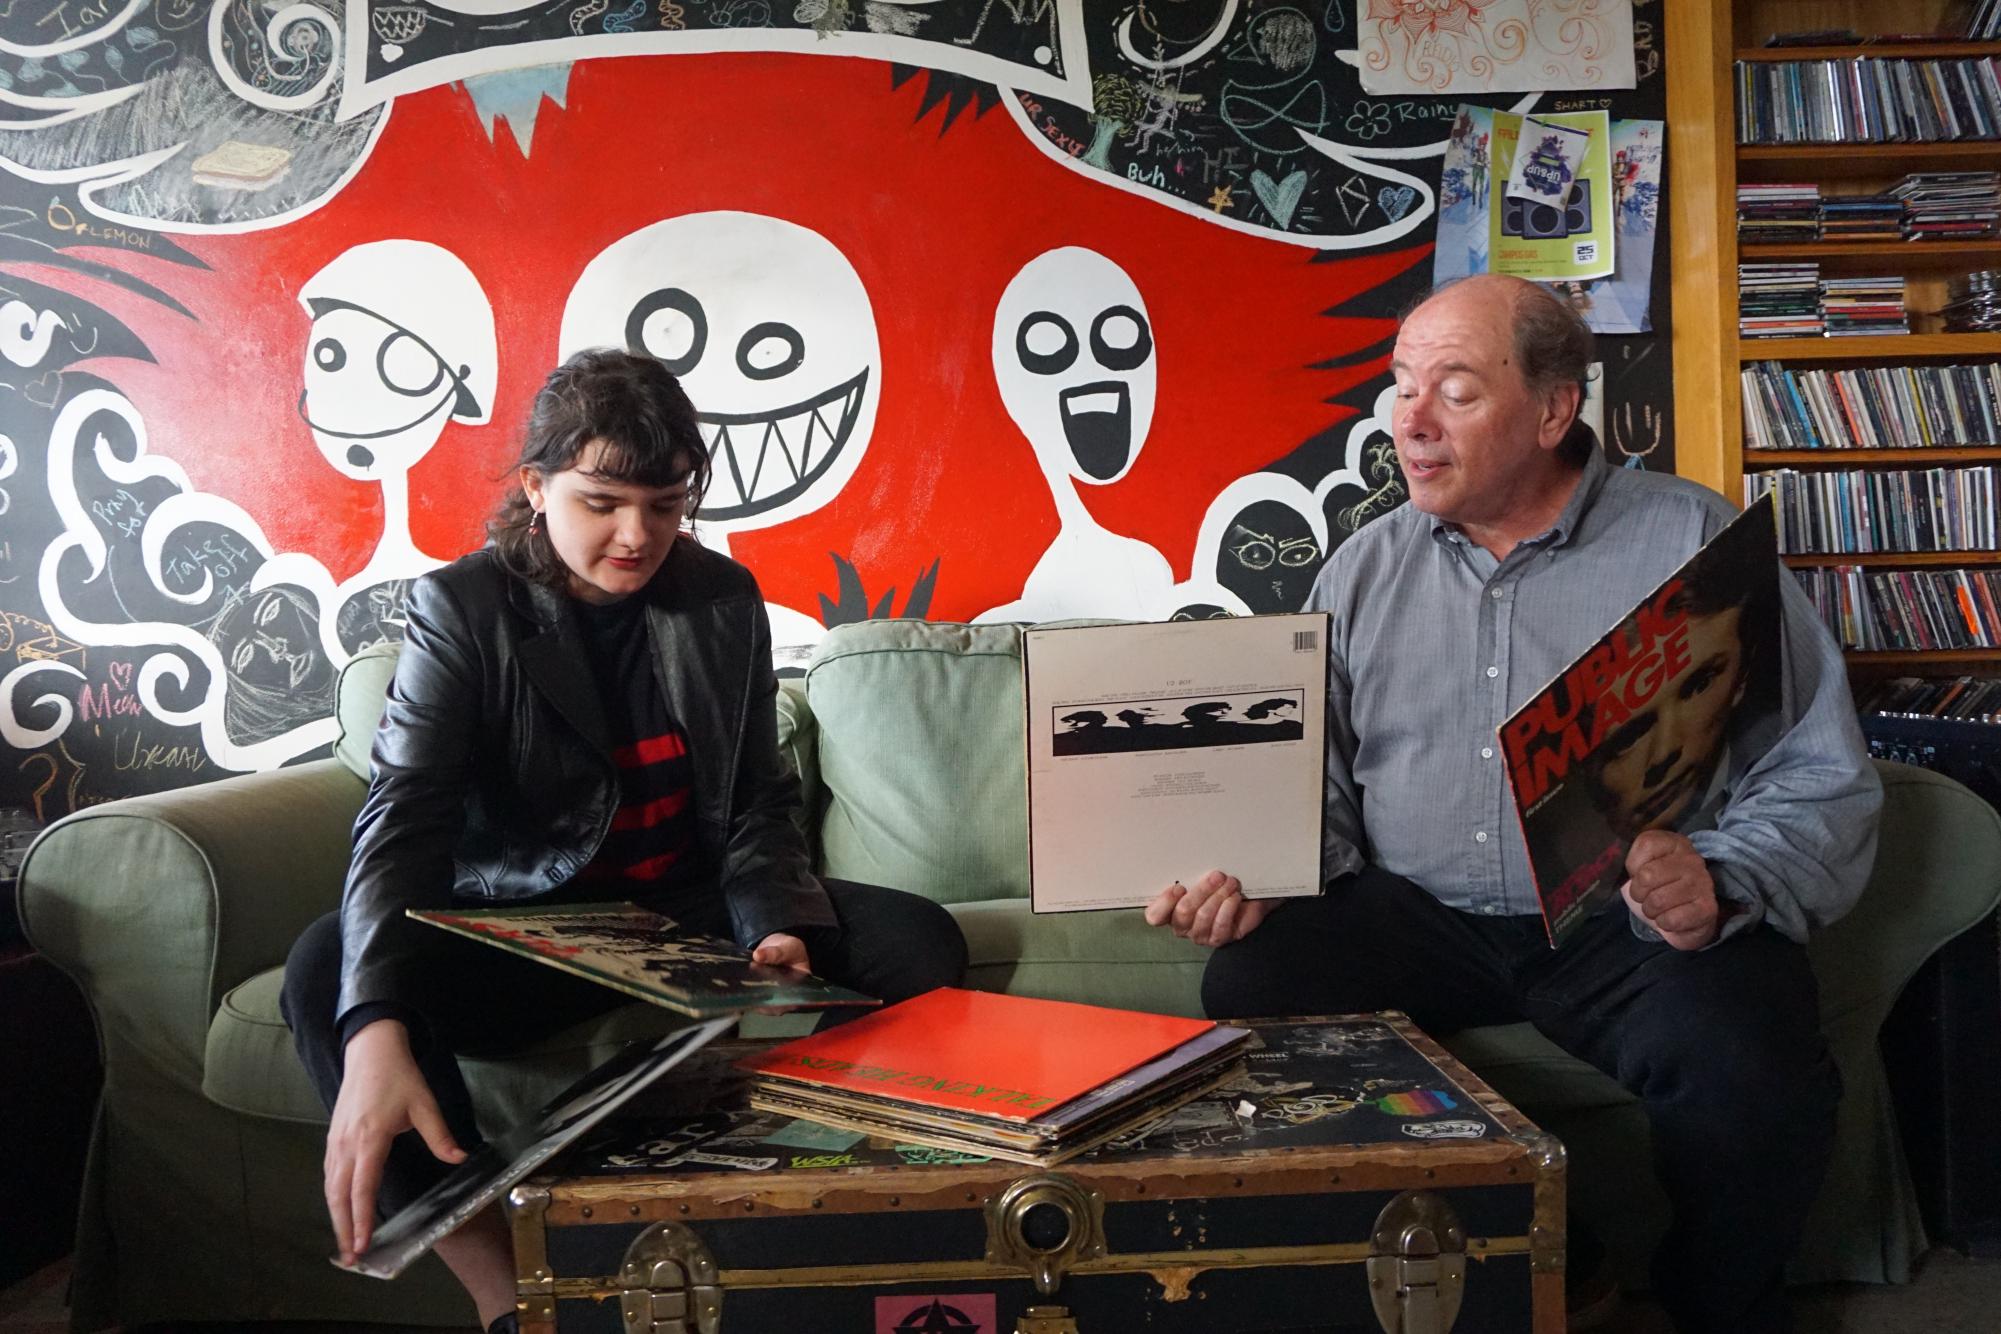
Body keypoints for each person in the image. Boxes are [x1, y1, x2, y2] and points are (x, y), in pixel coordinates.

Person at [1145, 274, 1881, 1334]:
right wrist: (1255, 866)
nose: (1411, 417)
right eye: (1400, 385)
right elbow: (1316, 782)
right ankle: (1547, 1259)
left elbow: (1820, 768)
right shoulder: (1362, 568)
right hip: (1417, 912)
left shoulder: (1689, 541)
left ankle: (1714, 1304)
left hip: (1618, 916)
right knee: (1254, 979)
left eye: (1453, 387)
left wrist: (1720, 874)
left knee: (1754, 1066)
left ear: (1551, 410)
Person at [281, 349, 967, 1334]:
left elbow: (753, 803)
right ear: (536, 486)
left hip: (680, 919)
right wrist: (375, 1018)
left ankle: (798, 1236)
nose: (635, 533)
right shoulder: (462, 609)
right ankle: (509, 1300)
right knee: (325, 968)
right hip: (526, 926)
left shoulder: (720, 601)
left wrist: (770, 926)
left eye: (665, 502)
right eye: (601, 501)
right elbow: (407, 814)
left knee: (919, 940)